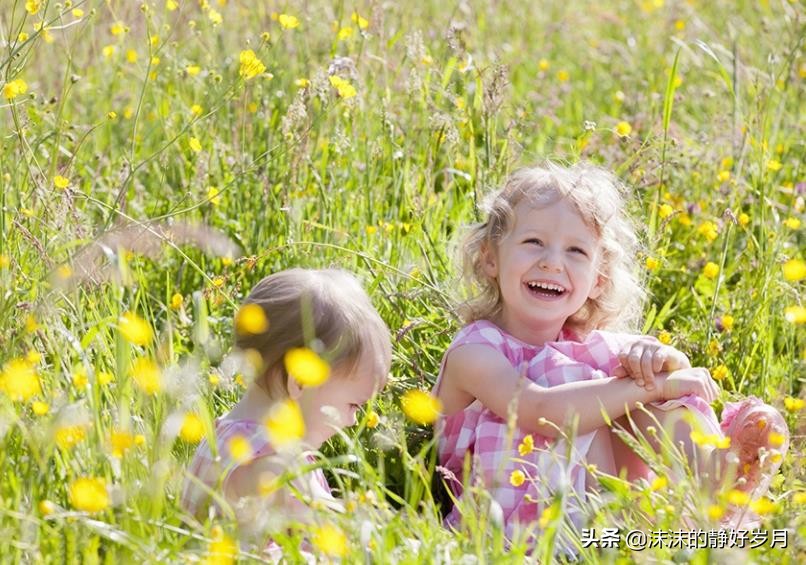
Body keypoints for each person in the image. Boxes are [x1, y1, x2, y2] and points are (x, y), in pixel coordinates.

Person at [433, 162, 789, 548]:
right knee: (603, 388)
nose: (553, 262)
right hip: (514, 526)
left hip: (603, 514)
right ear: (490, 259)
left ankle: (716, 478)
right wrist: (653, 386)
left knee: (635, 382)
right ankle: (636, 533)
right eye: (533, 242)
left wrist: (662, 361)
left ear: (597, 279)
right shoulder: (474, 351)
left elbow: (675, 376)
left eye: (576, 251)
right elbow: (538, 410)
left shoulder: (590, 347)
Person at [181, 268, 392, 540]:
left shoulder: (223, 435)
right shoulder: (279, 469)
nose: (353, 421)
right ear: (301, 382)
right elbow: (339, 540)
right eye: (354, 405)